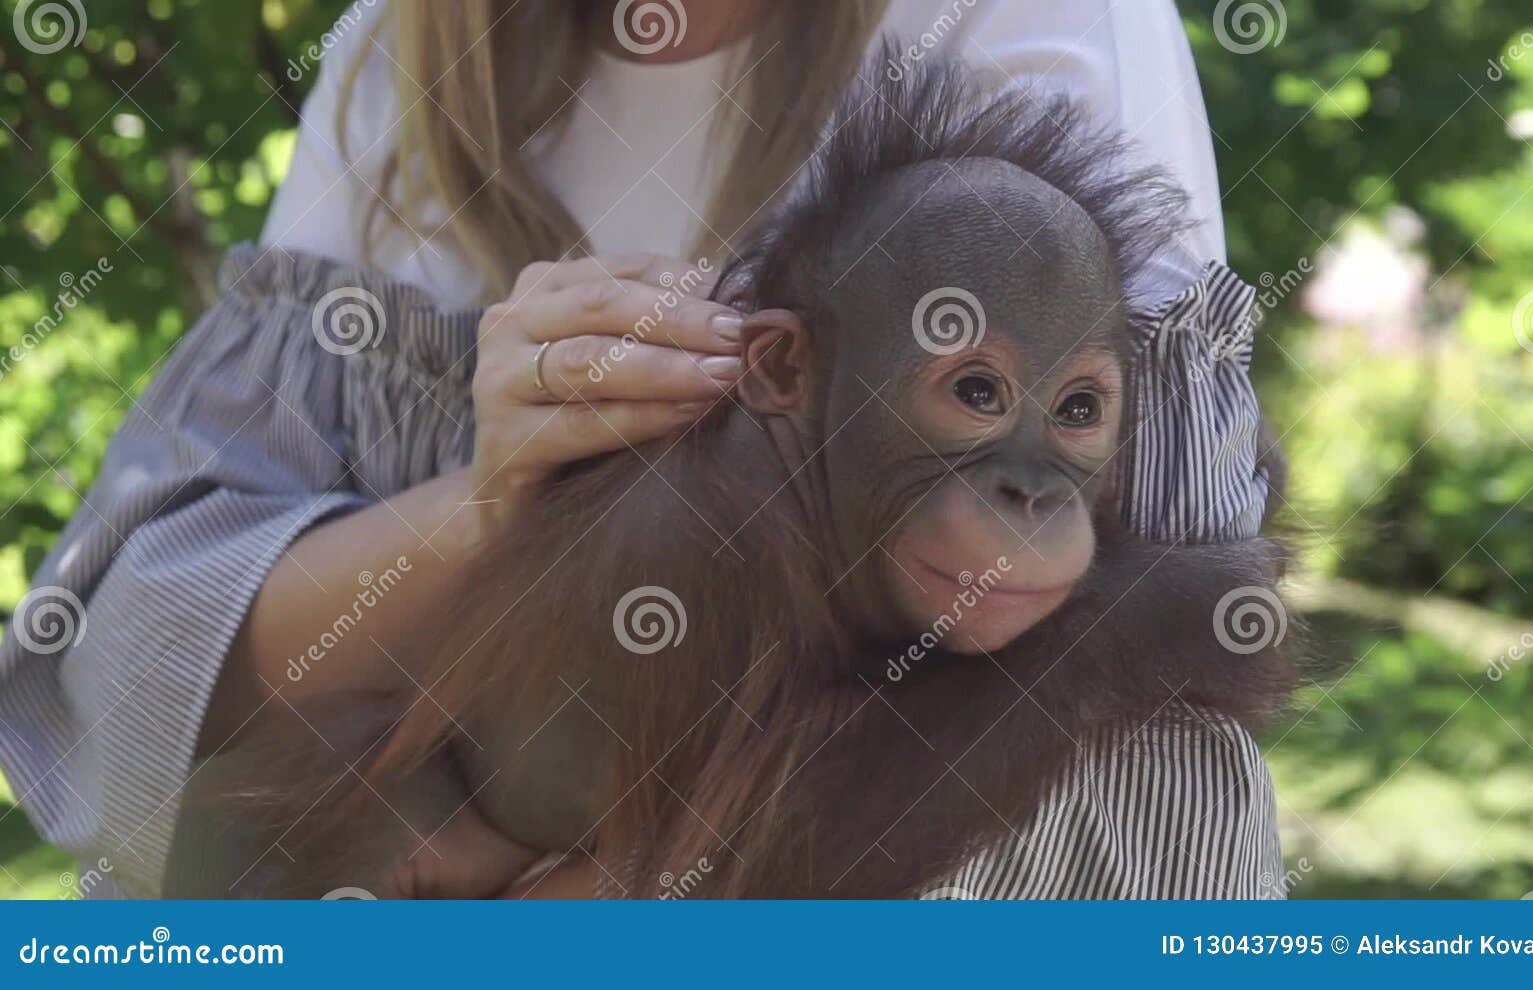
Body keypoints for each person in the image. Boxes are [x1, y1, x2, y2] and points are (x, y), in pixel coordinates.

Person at [0, 0, 1282, 899]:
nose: (1027, 482)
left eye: (1067, 413)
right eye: (980, 397)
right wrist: (498, 505)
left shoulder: (1027, 26)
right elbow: (130, 688)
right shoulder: (406, 61)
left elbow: (1142, 743)